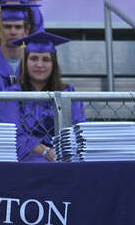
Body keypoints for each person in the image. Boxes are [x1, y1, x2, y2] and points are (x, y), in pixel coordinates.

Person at [7, 32, 85, 162]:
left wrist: (62, 151)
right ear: (25, 62)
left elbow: (78, 127)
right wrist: (45, 151)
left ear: (54, 64)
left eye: (46, 59)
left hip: (65, 155)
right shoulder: (13, 95)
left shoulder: (67, 92)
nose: (39, 65)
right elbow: (13, 134)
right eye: (34, 58)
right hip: (27, 158)